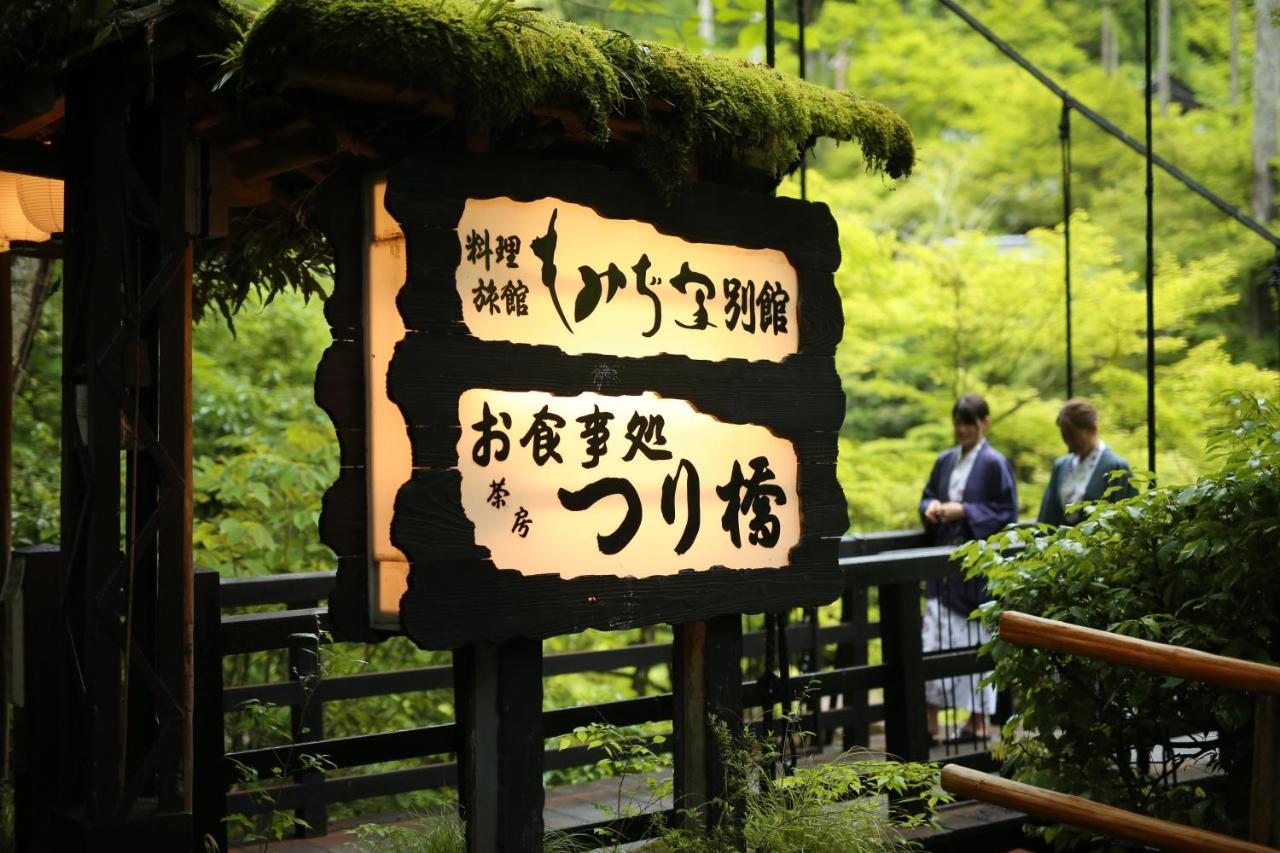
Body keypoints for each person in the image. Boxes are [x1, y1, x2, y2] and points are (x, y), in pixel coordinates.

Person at [918, 393, 1018, 743]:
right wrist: (931, 506)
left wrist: (966, 512)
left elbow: (1007, 512)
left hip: (975, 572)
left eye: (969, 423)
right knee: (932, 642)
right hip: (942, 569)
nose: (962, 430)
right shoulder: (945, 460)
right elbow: (928, 493)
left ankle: (976, 722)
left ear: (984, 423)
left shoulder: (994, 463)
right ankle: (930, 721)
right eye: (958, 423)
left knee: (975, 643)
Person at [1038, 398, 1136, 526]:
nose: (1069, 444)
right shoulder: (1061, 466)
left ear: (1093, 429)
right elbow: (1047, 518)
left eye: (1073, 437)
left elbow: (1126, 522)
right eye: (1065, 438)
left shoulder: (1116, 467)